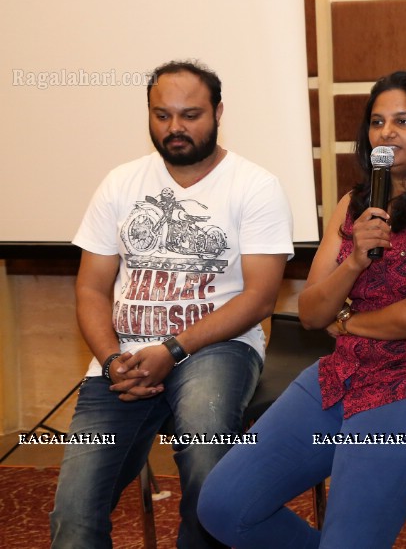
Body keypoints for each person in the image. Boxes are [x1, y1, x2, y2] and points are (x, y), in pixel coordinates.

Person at [198, 70, 406, 548]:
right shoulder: (354, 204)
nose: (387, 132)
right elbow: (311, 313)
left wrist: (349, 323)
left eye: (404, 121)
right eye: (377, 122)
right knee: (224, 506)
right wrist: (354, 260)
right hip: (345, 372)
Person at [50, 61, 294, 549]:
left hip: (216, 347)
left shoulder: (255, 185)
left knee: (206, 468)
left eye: (190, 114)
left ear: (219, 112)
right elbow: (92, 289)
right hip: (123, 358)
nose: (175, 128)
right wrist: (111, 358)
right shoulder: (120, 183)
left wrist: (173, 349)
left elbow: (259, 297)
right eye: (162, 115)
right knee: (73, 513)